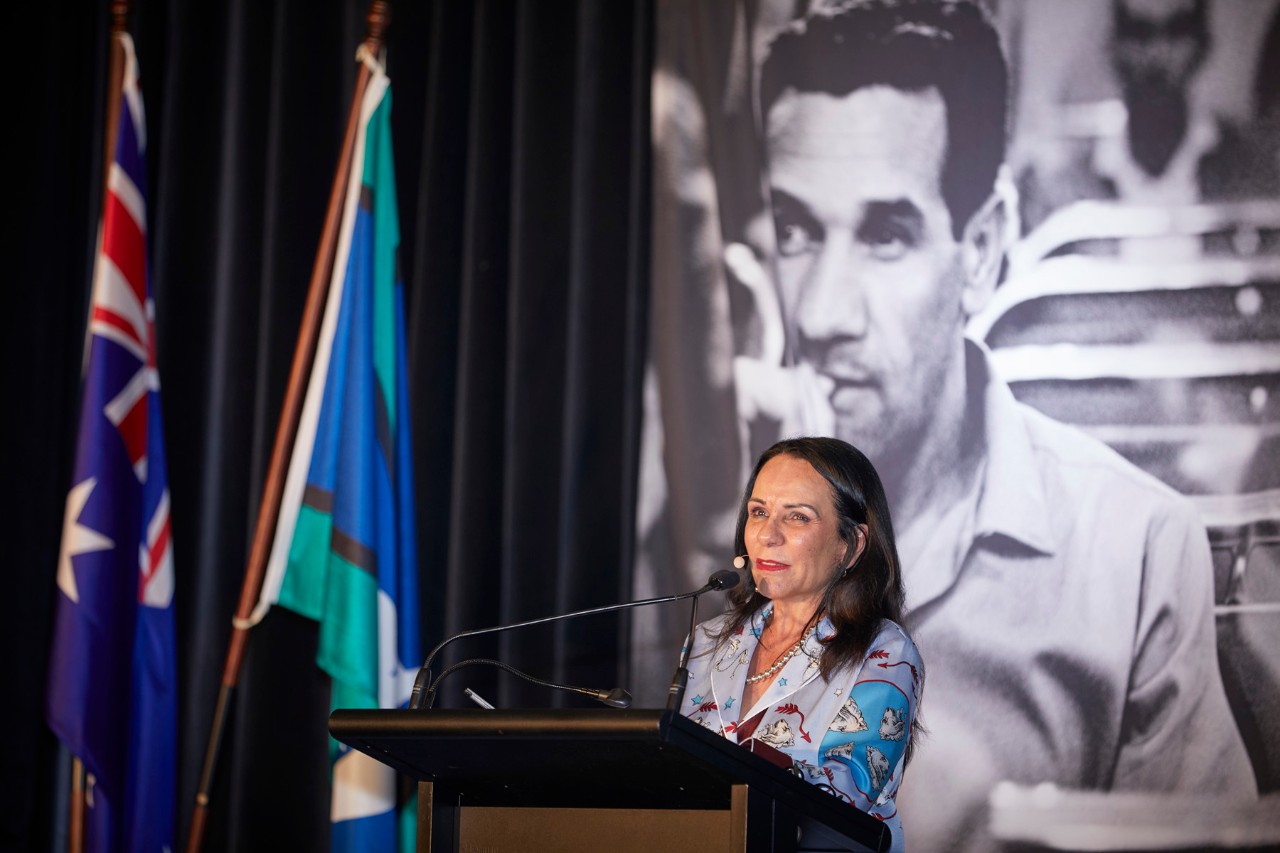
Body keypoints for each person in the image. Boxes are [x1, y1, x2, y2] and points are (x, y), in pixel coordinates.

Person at [713, 0, 1256, 848]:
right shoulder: (718, 553)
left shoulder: (1134, 552)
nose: (821, 311)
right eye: (797, 230)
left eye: (888, 234)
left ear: (987, 248)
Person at [681, 436, 923, 852]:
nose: (766, 535)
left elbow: (849, 790)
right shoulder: (707, 643)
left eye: (797, 518)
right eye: (758, 512)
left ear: (852, 545)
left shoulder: (883, 652)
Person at [1016, 0, 1280, 242]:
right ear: (1113, 46)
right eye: (1139, 33)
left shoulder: (1253, 177)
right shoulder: (1066, 194)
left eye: (1177, 31)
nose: (1157, 53)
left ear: (1202, 44)